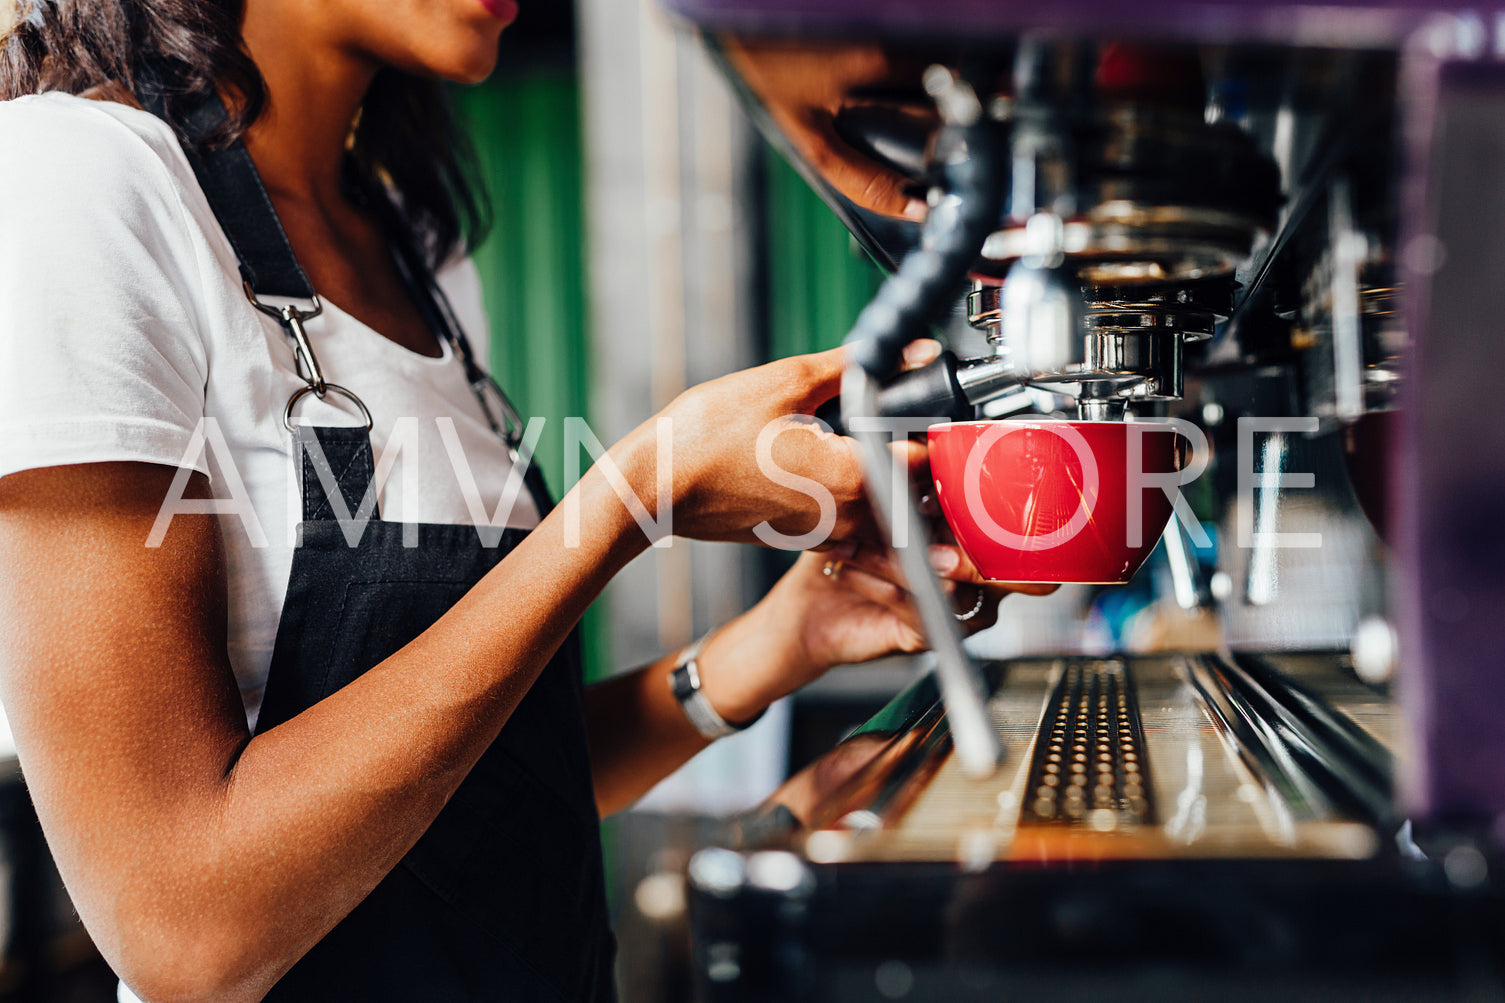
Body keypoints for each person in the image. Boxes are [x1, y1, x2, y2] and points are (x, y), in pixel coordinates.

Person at [0, 1, 1044, 1000]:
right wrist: (637, 492)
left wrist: (773, 644)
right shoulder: (75, 182)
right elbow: (183, 927)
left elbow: (457, 796)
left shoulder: (420, 253)